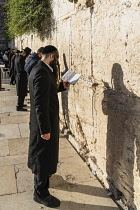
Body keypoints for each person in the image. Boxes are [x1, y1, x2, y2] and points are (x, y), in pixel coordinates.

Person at [28, 45, 70, 208]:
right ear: (52, 56)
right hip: (43, 123)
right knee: (42, 157)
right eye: (56, 58)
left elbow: (48, 92)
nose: (56, 62)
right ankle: (41, 193)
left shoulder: (42, 69)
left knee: (44, 156)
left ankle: (42, 184)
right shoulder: (41, 72)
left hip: (44, 122)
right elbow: (39, 103)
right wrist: (45, 129)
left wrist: (61, 86)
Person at [15, 47, 31, 111]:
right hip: (21, 77)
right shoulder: (21, 59)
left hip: (19, 76)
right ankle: (19, 106)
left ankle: (21, 104)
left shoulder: (17, 57)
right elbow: (22, 69)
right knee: (21, 92)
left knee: (22, 91)